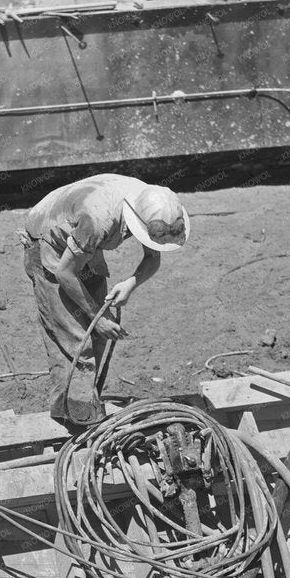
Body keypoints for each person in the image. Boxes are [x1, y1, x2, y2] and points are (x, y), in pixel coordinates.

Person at [20, 174, 188, 424]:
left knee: (98, 333)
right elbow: (64, 273)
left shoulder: (154, 204)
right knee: (76, 336)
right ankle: (76, 414)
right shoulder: (98, 220)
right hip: (50, 240)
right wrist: (96, 318)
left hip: (83, 242)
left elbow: (153, 257)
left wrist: (130, 283)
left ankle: (83, 400)